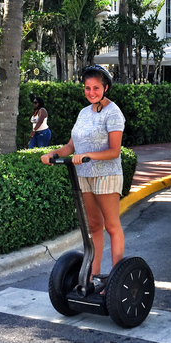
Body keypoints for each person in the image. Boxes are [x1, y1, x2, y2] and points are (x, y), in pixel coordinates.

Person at [40, 65, 125, 287]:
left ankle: (117, 279)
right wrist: (53, 154)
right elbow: (71, 145)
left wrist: (88, 155)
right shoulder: (83, 113)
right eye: (87, 88)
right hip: (84, 175)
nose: (91, 92)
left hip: (106, 175)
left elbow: (114, 151)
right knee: (94, 227)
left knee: (112, 226)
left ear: (105, 88)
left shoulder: (113, 112)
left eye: (96, 88)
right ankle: (92, 278)